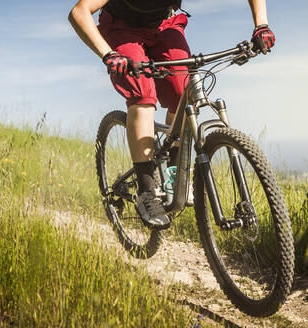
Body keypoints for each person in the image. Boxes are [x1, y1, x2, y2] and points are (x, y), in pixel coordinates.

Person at [68, 0, 275, 230]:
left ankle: (175, 171)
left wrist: (261, 25)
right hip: (121, 29)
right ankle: (146, 191)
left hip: (164, 25)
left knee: (183, 89)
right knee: (142, 94)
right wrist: (108, 54)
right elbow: (79, 12)